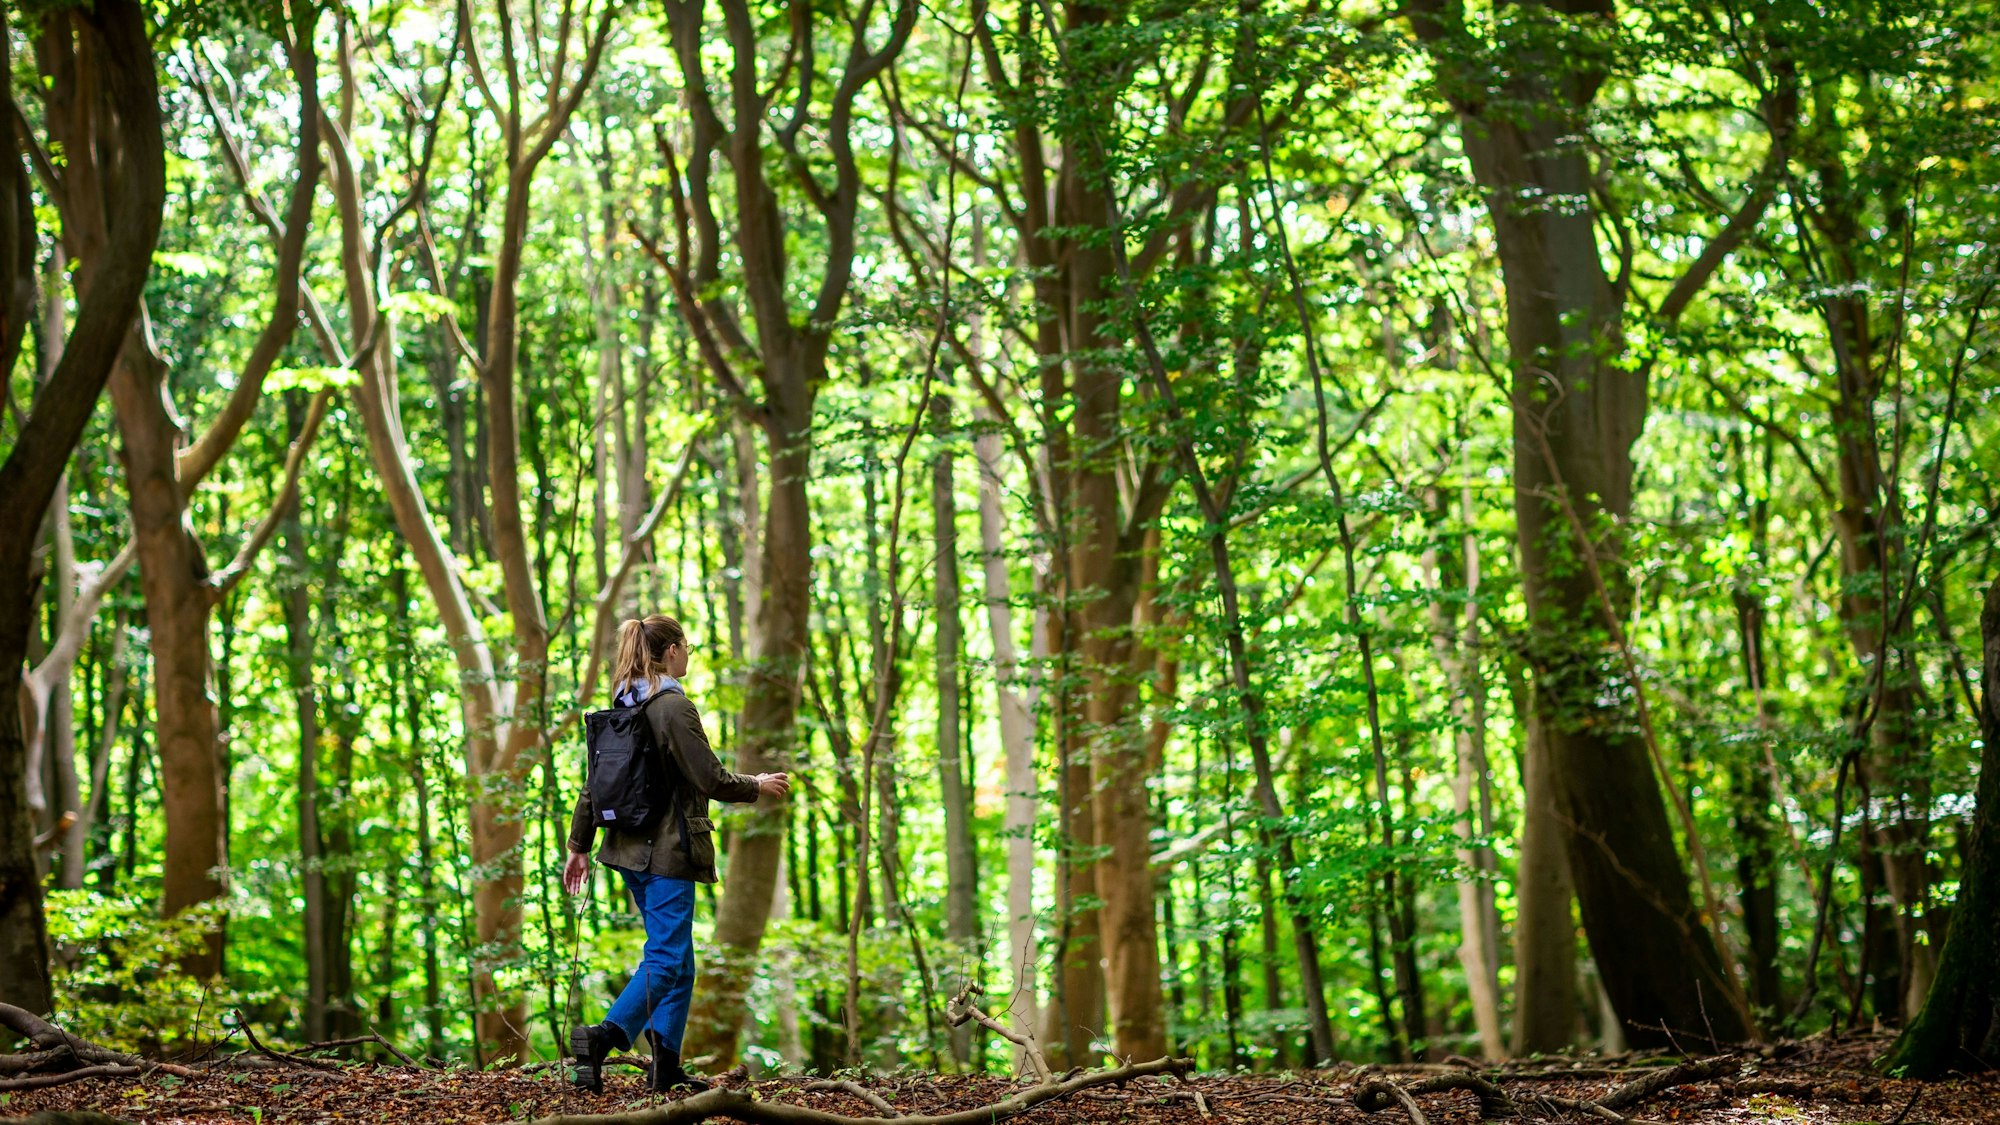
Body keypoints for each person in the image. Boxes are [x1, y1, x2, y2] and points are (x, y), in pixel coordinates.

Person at [563, 614, 789, 1093]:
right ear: (670, 652)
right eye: (686, 647)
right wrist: (756, 785)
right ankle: (604, 1037)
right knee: (667, 958)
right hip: (666, 853)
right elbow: (710, 778)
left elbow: (593, 785)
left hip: (626, 851)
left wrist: (578, 846)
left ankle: (665, 1064)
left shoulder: (623, 706)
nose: (688, 656)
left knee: (679, 961)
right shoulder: (672, 707)